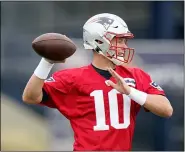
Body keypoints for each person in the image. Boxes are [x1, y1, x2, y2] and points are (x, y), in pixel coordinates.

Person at [22, 13, 173, 151]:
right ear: (99, 41)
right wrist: (47, 62)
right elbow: (30, 97)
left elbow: (166, 109)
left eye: (124, 41)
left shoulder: (135, 75)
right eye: (119, 40)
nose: (124, 47)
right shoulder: (72, 78)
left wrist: (130, 91)